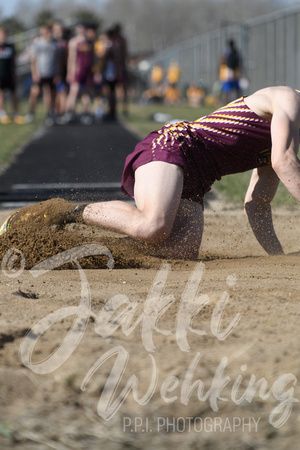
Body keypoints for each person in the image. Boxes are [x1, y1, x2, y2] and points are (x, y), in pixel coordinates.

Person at [1, 86, 300, 260]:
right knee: (153, 226)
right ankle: (65, 211)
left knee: (177, 253)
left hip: (199, 177)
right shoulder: (288, 99)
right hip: (177, 145)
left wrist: (279, 259)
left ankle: (78, 250)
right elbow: (284, 163)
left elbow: (257, 204)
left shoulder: (284, 139)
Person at [25, 23, 60, 126]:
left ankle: (51, 114)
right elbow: (33, 60)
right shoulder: (37, 43)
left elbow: (58, 60)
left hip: (51, 73)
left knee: (52, 95)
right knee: (35, 93)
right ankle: (31, 113)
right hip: (40, 73)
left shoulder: (55, 44)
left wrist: (58, 73)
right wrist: (35, 73)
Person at [59, 23, 94, 124]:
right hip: (77, 71)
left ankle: (86, 114)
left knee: (85, 93)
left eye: (82, 28)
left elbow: (93, 58)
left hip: (87, 71)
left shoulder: (89, 42)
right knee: (73, 92)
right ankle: (69, 113)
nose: (81, 30)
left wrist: (95, 72)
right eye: (79, 28)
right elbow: (71, 58)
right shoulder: (73, 42)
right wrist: (70, 72)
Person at [0, 27, 23, 124]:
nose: (3, 36)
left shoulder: (10, 46)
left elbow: (14, 62)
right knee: (1, 95)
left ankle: (16, 114)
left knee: (13, 94)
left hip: (9, 74)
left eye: (4, 34)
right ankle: (3, 114)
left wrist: (15, 74)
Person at [219, 39, 241, 103]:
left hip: (232, 72)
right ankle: (226, 102)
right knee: (227, 89)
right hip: (228, 72)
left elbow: (238, 62)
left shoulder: (234, 52)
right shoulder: (228, 52)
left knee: (234, 89)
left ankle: (236, 102)